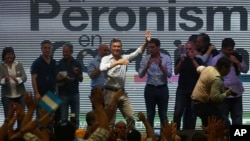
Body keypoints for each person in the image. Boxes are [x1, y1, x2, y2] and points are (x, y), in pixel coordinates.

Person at [99, 31, 151, 131]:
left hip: (122, 92)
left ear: (121, 48)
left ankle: (128, 137)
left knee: (131, 117)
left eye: (118, 46)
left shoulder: (124, 57)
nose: (116, 48)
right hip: (109, 93)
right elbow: (102, 68)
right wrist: (119, 62)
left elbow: (138, 52)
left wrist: (146, 43)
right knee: (110, 121)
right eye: (114, 46)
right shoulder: (106, 58)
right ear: (110, 48)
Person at [210, 38, 248, 125]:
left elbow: (245, 70)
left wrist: (237, 62)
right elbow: (212, 76)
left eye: (232, 49)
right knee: (222, 120)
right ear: (223, 48)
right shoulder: (215, 60)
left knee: (238, 119)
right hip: (224, 95)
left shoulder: (236, 56)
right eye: (229, 49)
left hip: (237, 93)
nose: (231, 51)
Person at [191, 56, 233, 131]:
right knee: (225, 123)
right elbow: (215, 98)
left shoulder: (208, 68)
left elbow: (199, 69)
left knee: (208, 128)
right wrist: (226, 94)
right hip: (202, 106)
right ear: (223, 67)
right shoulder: (217, 79)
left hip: (195, 103)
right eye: (228, 68)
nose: (229, 71)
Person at [138, 38, 172, 128]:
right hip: (150, 88)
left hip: (163, 88)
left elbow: (169, 74)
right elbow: (140, 75)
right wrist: (146, 67)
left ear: (158, 47)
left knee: (163, 114)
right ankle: (150, 137)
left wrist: (161, 66)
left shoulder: (166, 58)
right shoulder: (146, 59)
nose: (150, 49)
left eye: (152, 47)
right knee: (150, 114)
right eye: (149, 47)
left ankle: (165, 137)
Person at [173, 41, 203, 130]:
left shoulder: (198, 60)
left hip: (194, 91)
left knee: (192, 115)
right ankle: (176, 132)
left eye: (190, 49)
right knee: (178, 112)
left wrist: (192, 59)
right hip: (182, 90)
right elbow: (176, 71)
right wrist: (181, 61)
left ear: (194, 50)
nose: (188, 51)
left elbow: (200, 71)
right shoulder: (181, 60)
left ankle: (189, 134)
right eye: (186, 49)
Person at [56, 43, 83, 129]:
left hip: (74, 95)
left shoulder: (77, 63)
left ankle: (75, 135)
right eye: (63, 51)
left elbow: (81, 79)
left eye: (66, 51)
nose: (64, 53)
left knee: (74, 117)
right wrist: (64, 78)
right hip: (63, 95)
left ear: (71, 52)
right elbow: (56, 79)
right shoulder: (59, 64)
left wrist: (77, 73)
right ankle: (64, 136)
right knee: (63, 118)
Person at [0, 47, 27, 129]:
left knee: (21, 117)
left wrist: (16, 79)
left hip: (20, 95)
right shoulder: (1, 66)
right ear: (4, 55)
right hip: (7, 96)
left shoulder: (19, 64)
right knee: (8, 118)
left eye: (12, 54)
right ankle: (8, 135)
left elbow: (24, 77)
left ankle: (20, 134)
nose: (10, 56)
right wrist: (6, 79)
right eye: (8, 54)